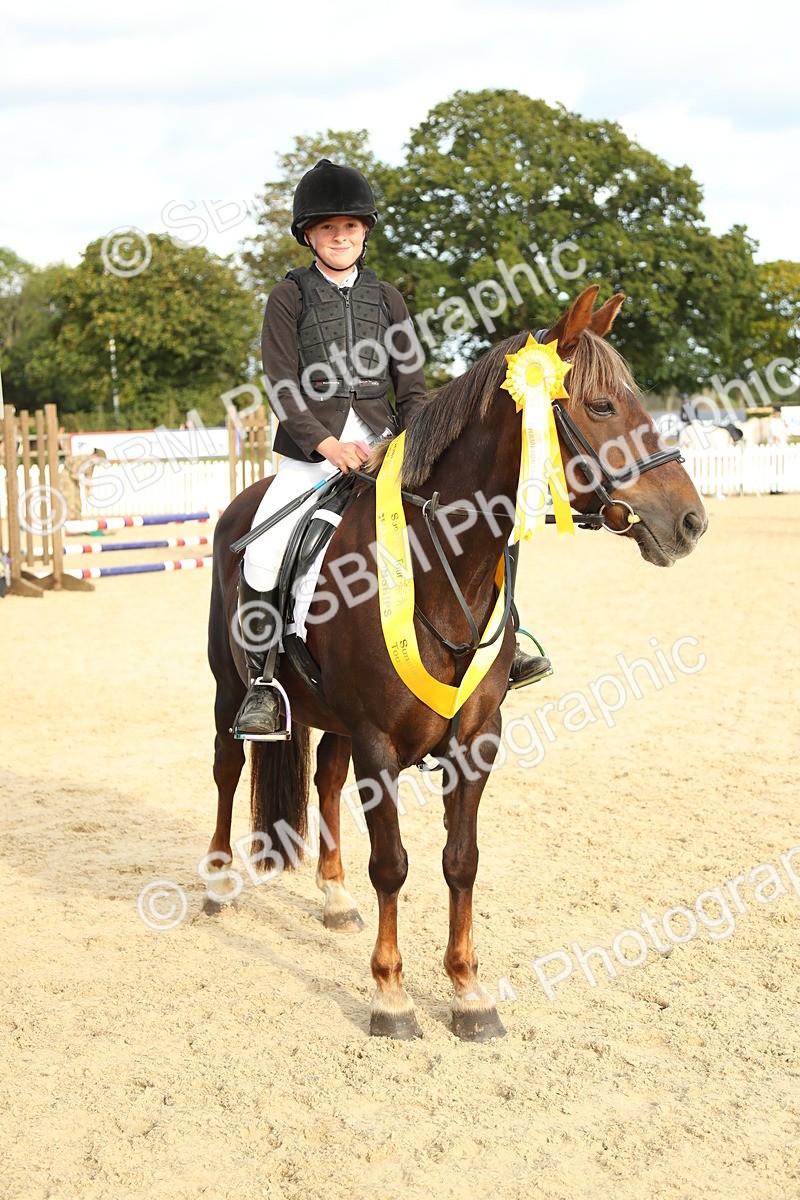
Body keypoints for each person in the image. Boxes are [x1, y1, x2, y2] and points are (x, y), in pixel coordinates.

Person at [234, 159, 551, 740]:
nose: (341, 237)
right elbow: (280, 380)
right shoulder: (287, 296)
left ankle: (511, 639)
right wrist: (326, 444)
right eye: (329, 228)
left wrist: (409, 445)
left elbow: (412, 385)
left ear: (364, 232)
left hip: (389, 450)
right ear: (309, 234)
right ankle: (264, 682)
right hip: (311, 457)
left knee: (477, 524)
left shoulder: (388, 298)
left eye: (351, 228)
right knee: (264, 550)